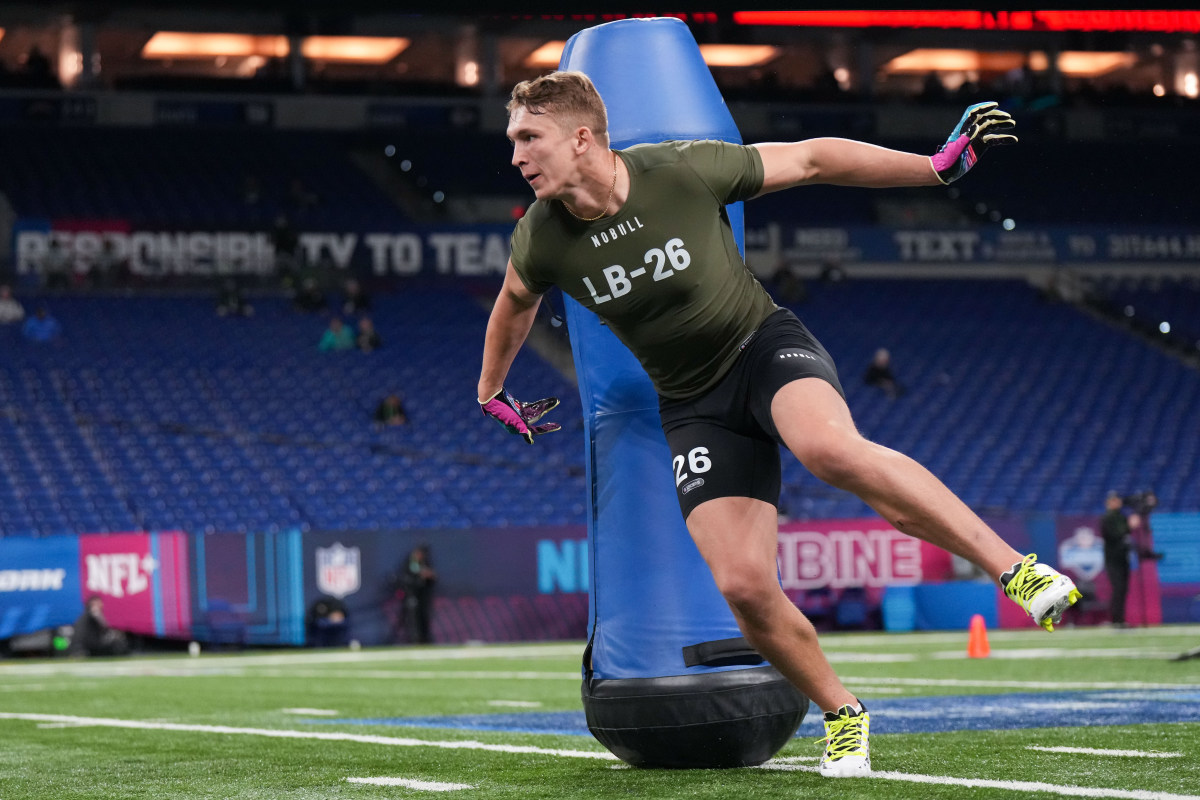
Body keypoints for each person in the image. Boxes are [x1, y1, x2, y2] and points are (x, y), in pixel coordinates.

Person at [476, 71, 1081, 778]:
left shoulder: (679, 169)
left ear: (582, 138)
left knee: (829, 449)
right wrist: (492, 391)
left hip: (762, 349)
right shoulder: (542, 236)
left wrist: (935, 167)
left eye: (528, 137)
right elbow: (514, 303)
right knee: (740, 583)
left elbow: (814, 158)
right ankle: (844, 714)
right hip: (693, 406)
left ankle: (1015, 569)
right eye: (513, 139)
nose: (515, 155)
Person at [1100, 491, 1132, 626]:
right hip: (1113, 559)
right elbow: (1113, 535)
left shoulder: (1122, 517)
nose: (1117, 502)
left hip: (1123, 558)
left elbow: (1125, 535)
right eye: (1114, 500)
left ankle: (1120, 618)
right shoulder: (1107, 518)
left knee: (1123, 589)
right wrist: (1129, 527)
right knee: (1118, 588)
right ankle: (1116, 619)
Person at [402, 544, 437, 644]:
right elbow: (408, 577)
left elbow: (432, 577)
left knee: (424, 618)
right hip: (412, 595)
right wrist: (419, 576)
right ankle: (415, 640)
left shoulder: (425, 562)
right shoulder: (410, 562)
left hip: (423, 596)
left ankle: (424, 639)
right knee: (413, 620)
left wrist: (428, 576)